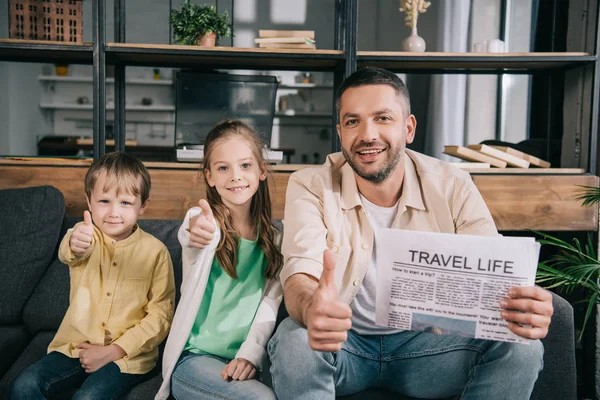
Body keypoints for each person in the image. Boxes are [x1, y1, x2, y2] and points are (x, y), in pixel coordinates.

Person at [267, 67, 554, 400]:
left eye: (383, 118)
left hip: (429, 346)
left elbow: (493, 275)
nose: (367, 134)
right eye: (352, 121)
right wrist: (312, 306)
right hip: (345, 347)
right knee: (294, 340)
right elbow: (299, 277)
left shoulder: (453, 185)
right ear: (340, 132)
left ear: (409, 127)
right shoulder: (310, 184)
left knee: (523, 347)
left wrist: (526, 306)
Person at [8, 152, 176, 400]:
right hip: (76, 348)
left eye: (126, 203)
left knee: (88, 398)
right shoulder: (84, 236)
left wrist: (115, 350)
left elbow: (161, 314)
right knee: (23, 385)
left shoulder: (156, 252)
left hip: (126, 357)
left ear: (143, 206)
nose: (113, 213)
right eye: (104, 201)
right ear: (89, 201)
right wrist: (77, 243)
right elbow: (70, 251)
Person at [155, 120, 283, 400]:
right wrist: (195, 230)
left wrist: (250, 356)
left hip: (244, 362)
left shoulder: (275, 239)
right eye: (223, 168)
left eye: (245, 165)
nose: (235, 176)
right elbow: (191, 234)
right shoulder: (204, 223)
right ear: (210, 176)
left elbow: (269, 306)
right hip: (193, 360)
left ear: (262, 170)